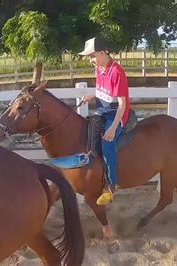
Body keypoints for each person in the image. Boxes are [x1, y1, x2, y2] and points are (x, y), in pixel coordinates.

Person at [79, 37, 131, 206]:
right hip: (102, 111)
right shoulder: (100, 69)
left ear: (102, 53)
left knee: (107, 143)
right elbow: (102, 90)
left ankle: (111, 185)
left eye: (92, 56)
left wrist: (113, 127)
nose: (90, 60)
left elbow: (122, 104)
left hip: (116, 114)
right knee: (88, 130)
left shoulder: (116, 72)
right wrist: (91, 96)